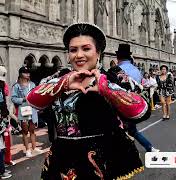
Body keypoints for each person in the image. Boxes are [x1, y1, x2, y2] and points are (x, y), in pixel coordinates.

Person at [27, 23, 149, 179]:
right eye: (73, 50)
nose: (79, 55)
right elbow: (32, 99)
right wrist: (64, 84)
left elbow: (142, 110)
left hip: (103, 161)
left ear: (98, 52)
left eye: (86, 49)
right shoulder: (59, 77)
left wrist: (107, 89)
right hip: (62, 160)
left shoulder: (114, 77)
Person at [11, 67, 42, 158]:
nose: (28, 74)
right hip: (23, 109)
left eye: (28, 72)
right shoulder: (16, 86)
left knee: (32, 130)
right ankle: (27, 150)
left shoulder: (32, 84)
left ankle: (34, 147)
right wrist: (23, 99)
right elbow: (13, 98)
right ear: (21, 74)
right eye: (25, 72)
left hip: (32, 109)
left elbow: (37, 94)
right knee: (25, 131)